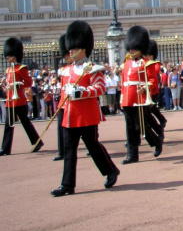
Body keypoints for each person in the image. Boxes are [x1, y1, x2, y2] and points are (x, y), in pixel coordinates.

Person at [50, 20, 119, 197]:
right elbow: (65, 93)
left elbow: (100, 88)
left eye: (74, 48)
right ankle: (67, 185)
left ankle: (111, 170)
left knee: (93, 146)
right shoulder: (65, 71)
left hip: (87, 115)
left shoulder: (93, 69)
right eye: (70, 48)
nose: (70, 51)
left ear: (83, 49)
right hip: (70, 115)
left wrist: (81, 92)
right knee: (69, 150)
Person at [119, 26, 163, 164]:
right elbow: (124, 82)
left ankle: (156, 141)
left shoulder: (147, 63)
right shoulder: (126, 64)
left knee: (141, 127)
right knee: (130, 128)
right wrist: (122, 98)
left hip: (140, 99)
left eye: (133, 47)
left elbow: (152, 81)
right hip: (128, 98)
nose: (131, 50)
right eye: (130, 48)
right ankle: (132, 155)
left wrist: (144, 88)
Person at [0, 37, 44, 156]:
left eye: (9, 54)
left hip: (19, 101)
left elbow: (29, 82)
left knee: (25, 123)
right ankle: (5, 148)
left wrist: (17, 85)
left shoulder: (21, 68)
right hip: (10, 101)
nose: (7, 57)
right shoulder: (9, 69)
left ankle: (37, 141)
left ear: (14, 54)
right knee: (9, 125)